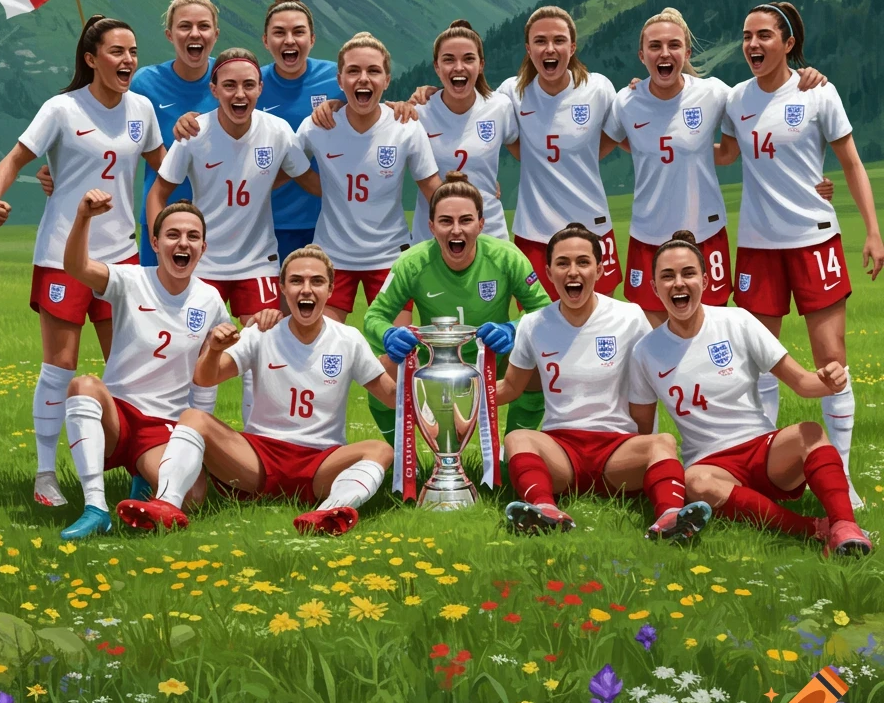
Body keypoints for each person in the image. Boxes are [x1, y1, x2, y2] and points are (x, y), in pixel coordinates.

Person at [0, 15, 163, 509]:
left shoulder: (142, 109)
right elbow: (15, 159)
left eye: (133, 51)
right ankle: (46, 475)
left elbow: (165, 168)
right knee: (60, 367)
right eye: (117, 51)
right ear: (91, 59)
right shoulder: (61, 108)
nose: (128, 60)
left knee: (128, 367)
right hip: (62, 256)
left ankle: (141, 467)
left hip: (122, 259)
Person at [717, 1, 883, 508]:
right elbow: (722, 151)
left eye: (764, 35)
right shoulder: (736, 99)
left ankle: (843, 477)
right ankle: (766, 472)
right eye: (747, 36)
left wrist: (873, 233)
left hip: (815, 241)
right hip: (758, 248)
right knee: (760, 362)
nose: (753, 44)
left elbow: (851, 163)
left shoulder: (817, 92)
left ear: (788, 44)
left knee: (832, 361)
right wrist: (655, 122)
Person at [116, 247, 396, 537]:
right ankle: (166, 503)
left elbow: (389, 397)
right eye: (296, 281)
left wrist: (402, 361)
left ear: (330, 289)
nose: (306, 289)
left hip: (322, 461)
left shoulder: (348, 339)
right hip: (258, 459)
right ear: (282, 288)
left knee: (380, 450)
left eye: (317, 281)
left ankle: (329, 512)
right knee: (193, 418)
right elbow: (205, 377)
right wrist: (214, 349)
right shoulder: (262, 331)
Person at [627, 231, 871, 555]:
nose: (679, 283)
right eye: (667, 276)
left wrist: (831, 381)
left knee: (810, 432)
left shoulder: (737, 321)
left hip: (763, 450)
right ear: (654, 287)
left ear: (705, 280)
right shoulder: (645, 351)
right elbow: (643, 430)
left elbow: (802, 382)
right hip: (710, 464)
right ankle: (812, 528)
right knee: (695, 482)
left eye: (688, 273)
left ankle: (845, 527)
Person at [603, 7, 828, 327]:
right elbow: (602, 145)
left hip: (705, 234)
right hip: (647, 235)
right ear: (642, 55)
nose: (664, 53)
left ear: (686, 53)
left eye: (674, 45)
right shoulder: (625, 101)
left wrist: (804, 77)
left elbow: (759, 116)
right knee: (652, 338)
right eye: (655, 46)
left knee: (709, 333)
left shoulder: (714, 93)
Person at [499, 223, 711, 541]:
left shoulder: (629, 316)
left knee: (662, 442)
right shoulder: (533, 324)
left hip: (618, 450)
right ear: (549, 271)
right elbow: (510, 388)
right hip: (561, 452)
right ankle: (544, 509)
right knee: (517, 438)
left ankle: (670, 518)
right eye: (562, 263)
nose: (573, 272)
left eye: (583, 262)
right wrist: (462, 393)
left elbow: (661, 372)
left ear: (599, 269)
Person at [147, 48, 319, 424]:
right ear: (214, 89)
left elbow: (309, 179)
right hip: (202, 264)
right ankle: (188, 442)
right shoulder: (194, 133)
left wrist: (360, 194)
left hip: (257, 263)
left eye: (248, 85)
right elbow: (158, 192)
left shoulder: (277, 132)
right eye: (229, 86)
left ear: (260, 89)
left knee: (260, 352)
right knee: (193, 355)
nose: (239, 94)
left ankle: (254, 446)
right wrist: (162, 243)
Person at [57, 192, 230, 539]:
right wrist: (84, 217)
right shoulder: (130, 280)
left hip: (163, 426)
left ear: (203, 247)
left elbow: (210, 372)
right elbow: (76, 267)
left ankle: (143, 474)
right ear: (155, 243)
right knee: (83, 386)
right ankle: (96, 508)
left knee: (193, 499)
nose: (183, 243)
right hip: (117, 416)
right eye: (173, 234)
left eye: (193, 236)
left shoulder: (209, 299)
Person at [363, 172, 552, 443]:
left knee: (535, 360)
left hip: (494, 358)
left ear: (481, 224)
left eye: (465, 220)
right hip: (434, 362)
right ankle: (400, 459)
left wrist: (512, 329)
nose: (456, 230)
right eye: (445, 221)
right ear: (431, 226)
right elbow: (374, 316)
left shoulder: (506, 257)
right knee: (383, 372)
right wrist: (388, 335)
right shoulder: (411, 263)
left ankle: (514, 452)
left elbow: (543, 311)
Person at [296, 32, 441, 322]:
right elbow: (287, 168)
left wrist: (464, 208)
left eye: (373, 71)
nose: (363, 79)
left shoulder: (405, 125)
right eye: (353, 71)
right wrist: (327, 188)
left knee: (396, 344)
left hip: (390, 255)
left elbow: (432, 188)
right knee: (325, 346)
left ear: (387, 80)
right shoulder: (317, 126)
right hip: (332, 255)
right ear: (340, 81)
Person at [497, 6, 622, 301]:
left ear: (573, 46)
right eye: (540, 41)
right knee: (537, 318)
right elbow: (478, 118)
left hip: (592, 226)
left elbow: (619, 133)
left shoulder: (598, 88)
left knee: (600, 315)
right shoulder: (511, 92)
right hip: (534, 231)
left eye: (559, 40)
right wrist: (429, 93)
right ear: (528, 49)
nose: (549, 49)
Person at [130, 0, 219, 267]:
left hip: (220, 220)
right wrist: (60, 166)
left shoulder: (230, 78)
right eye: (184, 26)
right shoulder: (145, 83)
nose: (195, 33)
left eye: (203, 26)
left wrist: (333, 105)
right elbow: (112, 135)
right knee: (155, 294)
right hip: (161, 217)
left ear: (216, 34)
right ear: (170, 35)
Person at [408, 20, 517, 243]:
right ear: (437, 67)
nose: (459, 67)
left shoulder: (500, 107)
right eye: (449, 59)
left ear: (481, 64)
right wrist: (337, 106)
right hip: (433, 238)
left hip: (489, 235)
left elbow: (526, 152)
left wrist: (488, 181)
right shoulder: (418, 114)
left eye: (468, 59)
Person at [259, 0, 344, 262]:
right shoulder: (250, 84)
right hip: (268, 222)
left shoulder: (339, 79)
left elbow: (375, 110)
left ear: (312, 39)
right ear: (265, 41)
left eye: (298, 32)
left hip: (329, 221)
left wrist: (412, 101)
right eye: (279, 33)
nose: (289, 40)